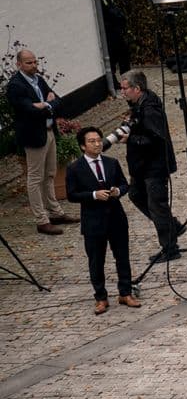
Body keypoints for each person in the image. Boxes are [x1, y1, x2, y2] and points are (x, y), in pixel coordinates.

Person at [64, 126, 138, 314]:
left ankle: (125, 292)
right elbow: (72, 195)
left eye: (98, 140)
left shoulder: (111, 163)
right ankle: (101, 297)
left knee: (122, 257)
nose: (97, 144)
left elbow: (124, 184)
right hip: (93, 221)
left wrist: (118, 191)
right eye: (92, 141)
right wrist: (94, 195)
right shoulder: (74, 168)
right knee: (96, 260)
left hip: (116, 217)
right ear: (82, 146)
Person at [6, 48, 74, 234]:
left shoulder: (39, 80)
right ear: (18, 64)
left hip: (50, 132)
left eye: (35, 61)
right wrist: (48, 105)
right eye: (29, 62)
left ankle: (55, 212)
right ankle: (41, 220)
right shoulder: (16, 85)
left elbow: (58, 100)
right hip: (33, 136)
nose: (34, 65)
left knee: (50, 173)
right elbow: (29, 110)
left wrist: (46, 104)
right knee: (35, 177)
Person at [118, 72, 181, 262]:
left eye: (124, 88)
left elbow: (156, 139)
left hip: (154, 165)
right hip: (141, 166)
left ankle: (170, 247)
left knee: (157, 206)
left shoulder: (150, 108)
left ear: (137, 89)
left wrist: (131, 138)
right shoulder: (139, 104)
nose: (122, 93)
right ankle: (173, 226)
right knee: (136, 195)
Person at [97, 0, 131, 75]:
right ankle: (117, 78)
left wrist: (121, 16)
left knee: (123, 50)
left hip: (114, 26)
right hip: (108, 27)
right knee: (114, 54)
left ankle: (126, 74)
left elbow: (111, 5)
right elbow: (106, 8)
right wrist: (118, 16)